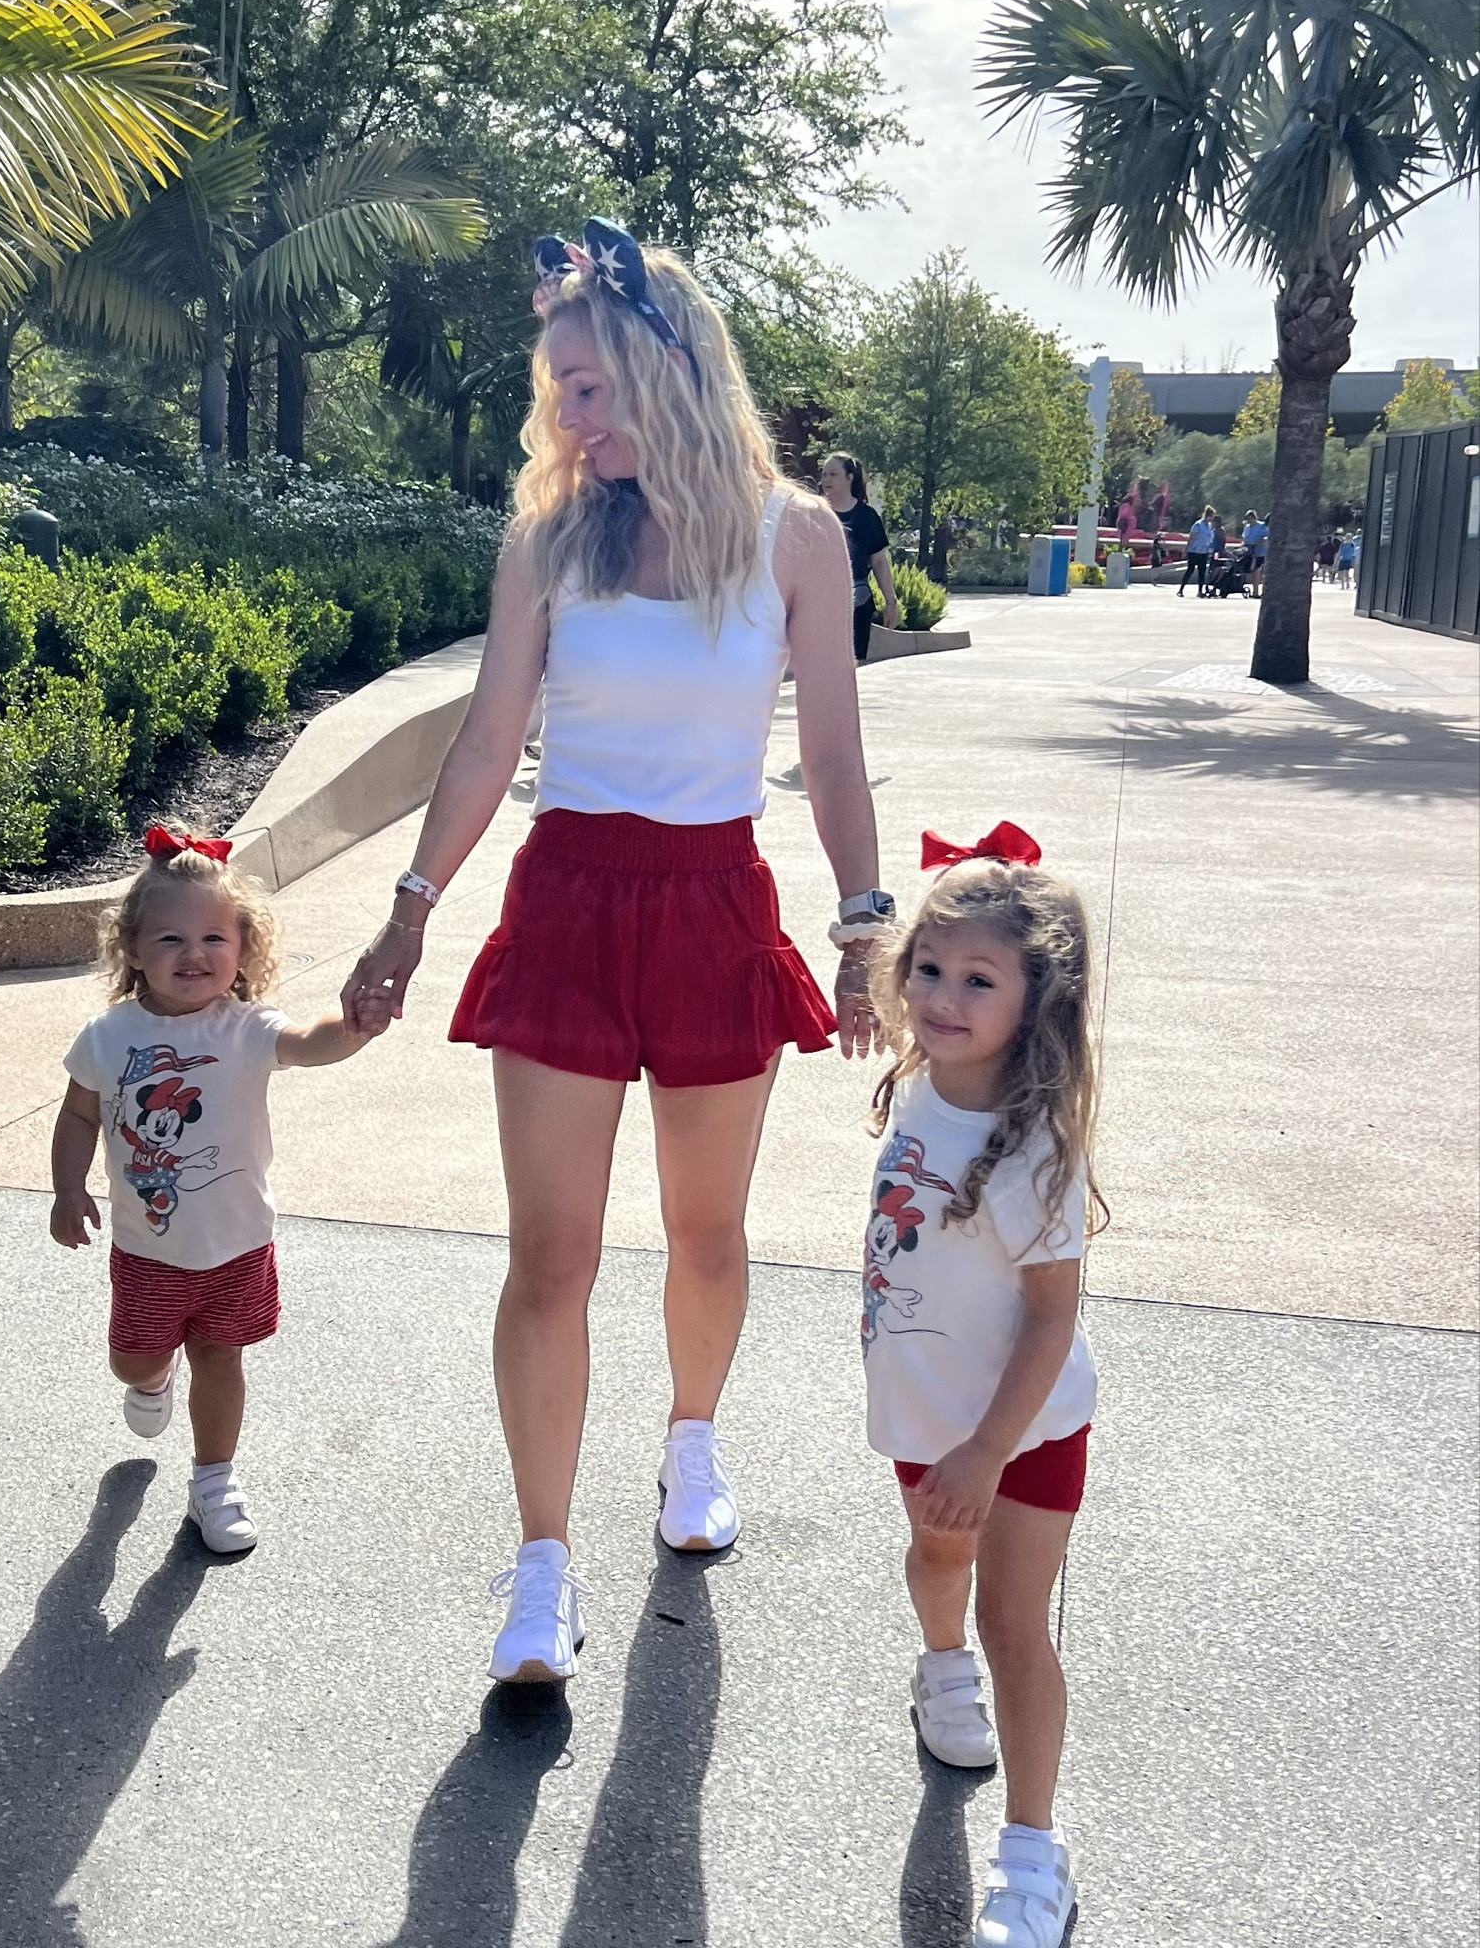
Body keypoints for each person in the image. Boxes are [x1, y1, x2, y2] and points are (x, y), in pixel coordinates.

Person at [339, 218, 887, 1684]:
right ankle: (539, 1567)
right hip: (568, 902)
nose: (565, 420)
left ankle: (690, 1440)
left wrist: (860, 921)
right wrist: (407, 911)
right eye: (556, 394)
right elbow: (482, 742)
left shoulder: (795, 539)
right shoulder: (546, 537)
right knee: (549, 1259)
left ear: (666, 365)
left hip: (714, 902)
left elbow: (831, 753)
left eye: (585, 387)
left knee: (706, 1235)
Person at [860, 822, 1105, 1948]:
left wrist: (986, 1451)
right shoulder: (920, 1082)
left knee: (1019, 1623)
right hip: (927, 1408)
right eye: (930, 968)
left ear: (1035, 998)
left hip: (1022, 1424)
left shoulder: (1034, 1145)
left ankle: (1032, 1854)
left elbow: (1053, 1319)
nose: (944, 996)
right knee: (936, 1558)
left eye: (978, 978)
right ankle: (937, 1664)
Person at [50, 826, 374, 1552]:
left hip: (237, 1244)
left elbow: (309, 1042)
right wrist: (68, 1187)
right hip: (147, 1249)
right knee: (132, 1359)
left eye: (212, 939)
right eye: (170, 940)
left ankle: (214, 1480)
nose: (193, 955)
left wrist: (352, 1027)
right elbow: (76, 1115)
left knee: (223, 1358)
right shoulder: (107, 1038)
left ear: (243, 948)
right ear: (133, 949)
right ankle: (150, 1376)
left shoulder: (248, 1028)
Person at [820, 452, 900, 661]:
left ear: (849, 478)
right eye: (824, 474)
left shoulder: (867, 517)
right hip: (818, 603)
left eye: (833, 474)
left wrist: (890, 602)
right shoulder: (813, 514)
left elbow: (879, 561)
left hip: (857, 601)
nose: (826, 479)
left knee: (851, 665)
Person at [1179, 507, 1215, 595]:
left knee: (1202, 571)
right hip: (1194, 551)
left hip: (1203, 551)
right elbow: (1191, 537)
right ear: (1208, 515)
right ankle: (1181, 589)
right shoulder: (1198, 525)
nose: (1212, 518)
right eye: (1212, 516)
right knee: (1190, 570)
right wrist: (1187, 548)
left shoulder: (1209, 526)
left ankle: (1200, 591)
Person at [1241, 511, 1268, 597]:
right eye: (1248, 519)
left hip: (1260, 552)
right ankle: (1254, 590)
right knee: (1252, 572)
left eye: (1251, 519)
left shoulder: (1262, 526)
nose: (1250, 521)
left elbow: (1267, 536)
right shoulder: (1247, 528)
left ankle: (1256, 592)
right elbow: (1244, 538)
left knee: (1257, 571)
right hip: (1250, 552)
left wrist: (1261, 541)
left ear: (1255, 518)